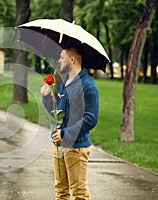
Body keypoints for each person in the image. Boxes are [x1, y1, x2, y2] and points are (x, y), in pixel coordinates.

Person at [41, 47, 99, 200]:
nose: (59, 61)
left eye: (61, 57)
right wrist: (46, 96)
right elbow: (57, 111)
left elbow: (91, 119)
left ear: (71, 60)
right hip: (59, 145)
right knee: (61, 191)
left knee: (79, 193)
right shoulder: (64, 83)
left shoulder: (88, 86)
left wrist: (65, 133)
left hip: (76, 148)